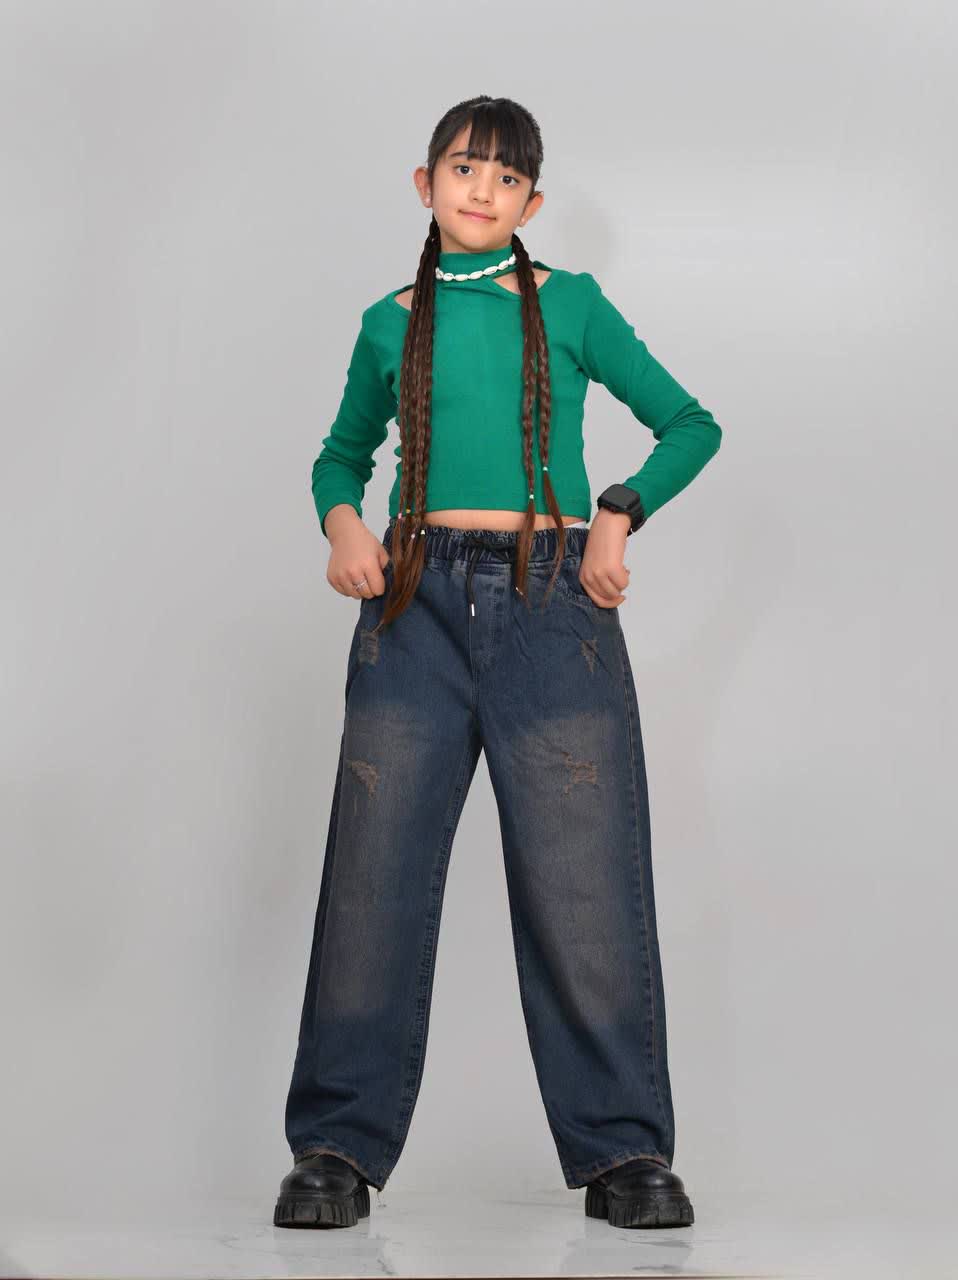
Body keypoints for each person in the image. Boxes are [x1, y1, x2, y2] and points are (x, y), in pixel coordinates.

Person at [274, 95, 723, 1232]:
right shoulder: (389, 323)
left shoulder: (570, 304)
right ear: (423, 182)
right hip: (412, 602)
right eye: (465, 168)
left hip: (551, 603)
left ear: (532, 200)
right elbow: (340, 454)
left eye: (508, 176)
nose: (484, 188)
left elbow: (690, 424)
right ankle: (334, 1145)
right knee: (373, 875)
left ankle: (624, 1149)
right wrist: (344, 524)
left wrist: (617, 513)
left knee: (583, 878)